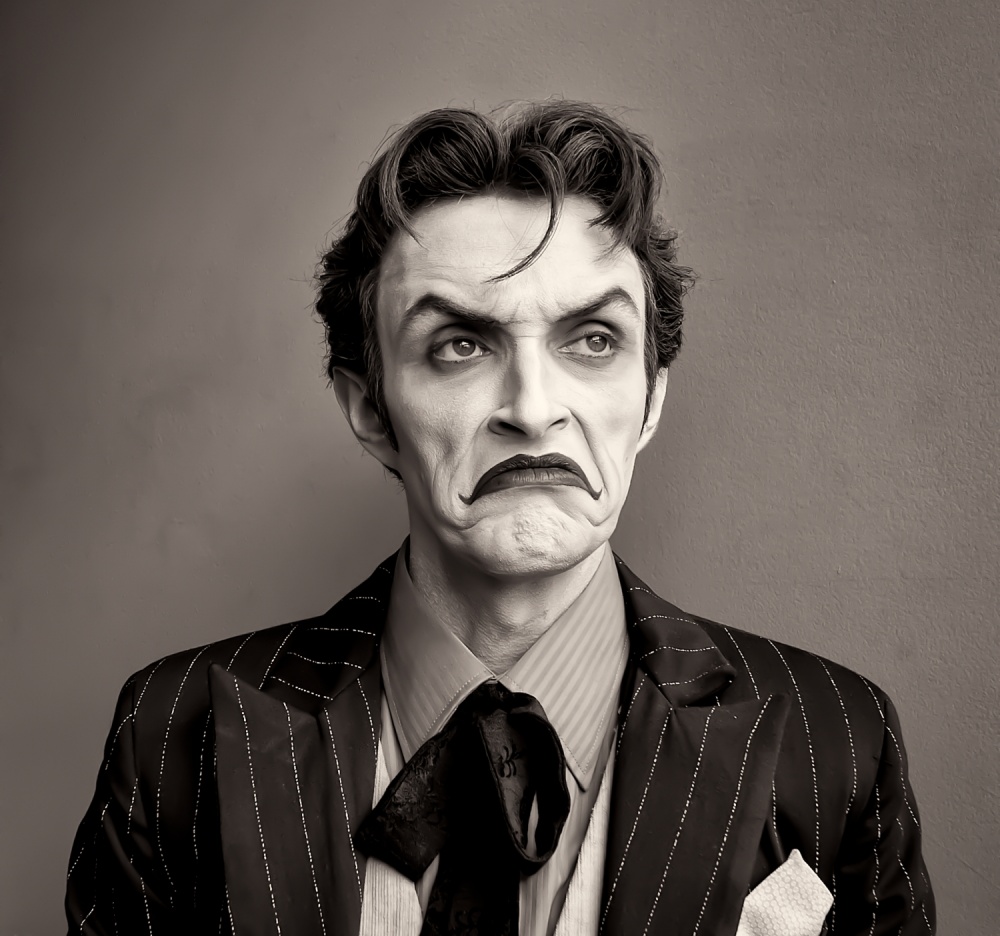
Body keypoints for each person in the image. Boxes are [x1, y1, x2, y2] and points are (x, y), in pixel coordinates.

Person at [65, 101, 935, 936]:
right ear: (369, 408)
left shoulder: (838, 740)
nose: (532, 408)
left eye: (592, 340)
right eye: (461, 345)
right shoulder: (169, 733)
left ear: (650, 400)